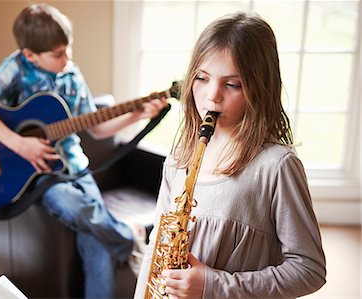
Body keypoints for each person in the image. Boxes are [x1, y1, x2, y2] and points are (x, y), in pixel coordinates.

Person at [0, 3, 167, 298]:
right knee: (71, 205)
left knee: (95, 241)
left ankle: (114, 239)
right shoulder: (16, 67)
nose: (67, 57)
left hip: (76, 167)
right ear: (30, 54)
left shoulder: (72, 74)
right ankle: (127, 235)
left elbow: (95, 127)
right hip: (39, 174)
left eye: (68, 48)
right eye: (57, 54)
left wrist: (138, 114)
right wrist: (20, 142)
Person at [134, 12, 326, 299]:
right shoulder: (180, 158)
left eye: (232, 84)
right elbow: (155, 247)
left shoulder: (276, 166)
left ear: (259, 89)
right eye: (201, 78)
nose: (212, 96)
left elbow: (309, 269)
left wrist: (214, 286)